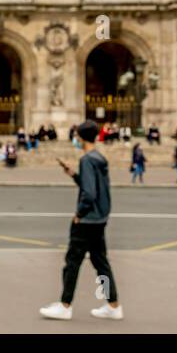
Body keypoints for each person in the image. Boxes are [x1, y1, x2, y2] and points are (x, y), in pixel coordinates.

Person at [40, 120, 122, 321]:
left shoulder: (87, 160)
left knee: (72, 262)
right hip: (100, 218)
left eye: (76, 136)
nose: (75, 139)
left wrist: (79, 214)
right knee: (100, 262)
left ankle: (65, 305)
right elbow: (95, 186)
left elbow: (89, 193)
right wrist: (74, 175)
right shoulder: (99, 158)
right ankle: (113, 304)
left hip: (87, 220)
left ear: (81, 137)